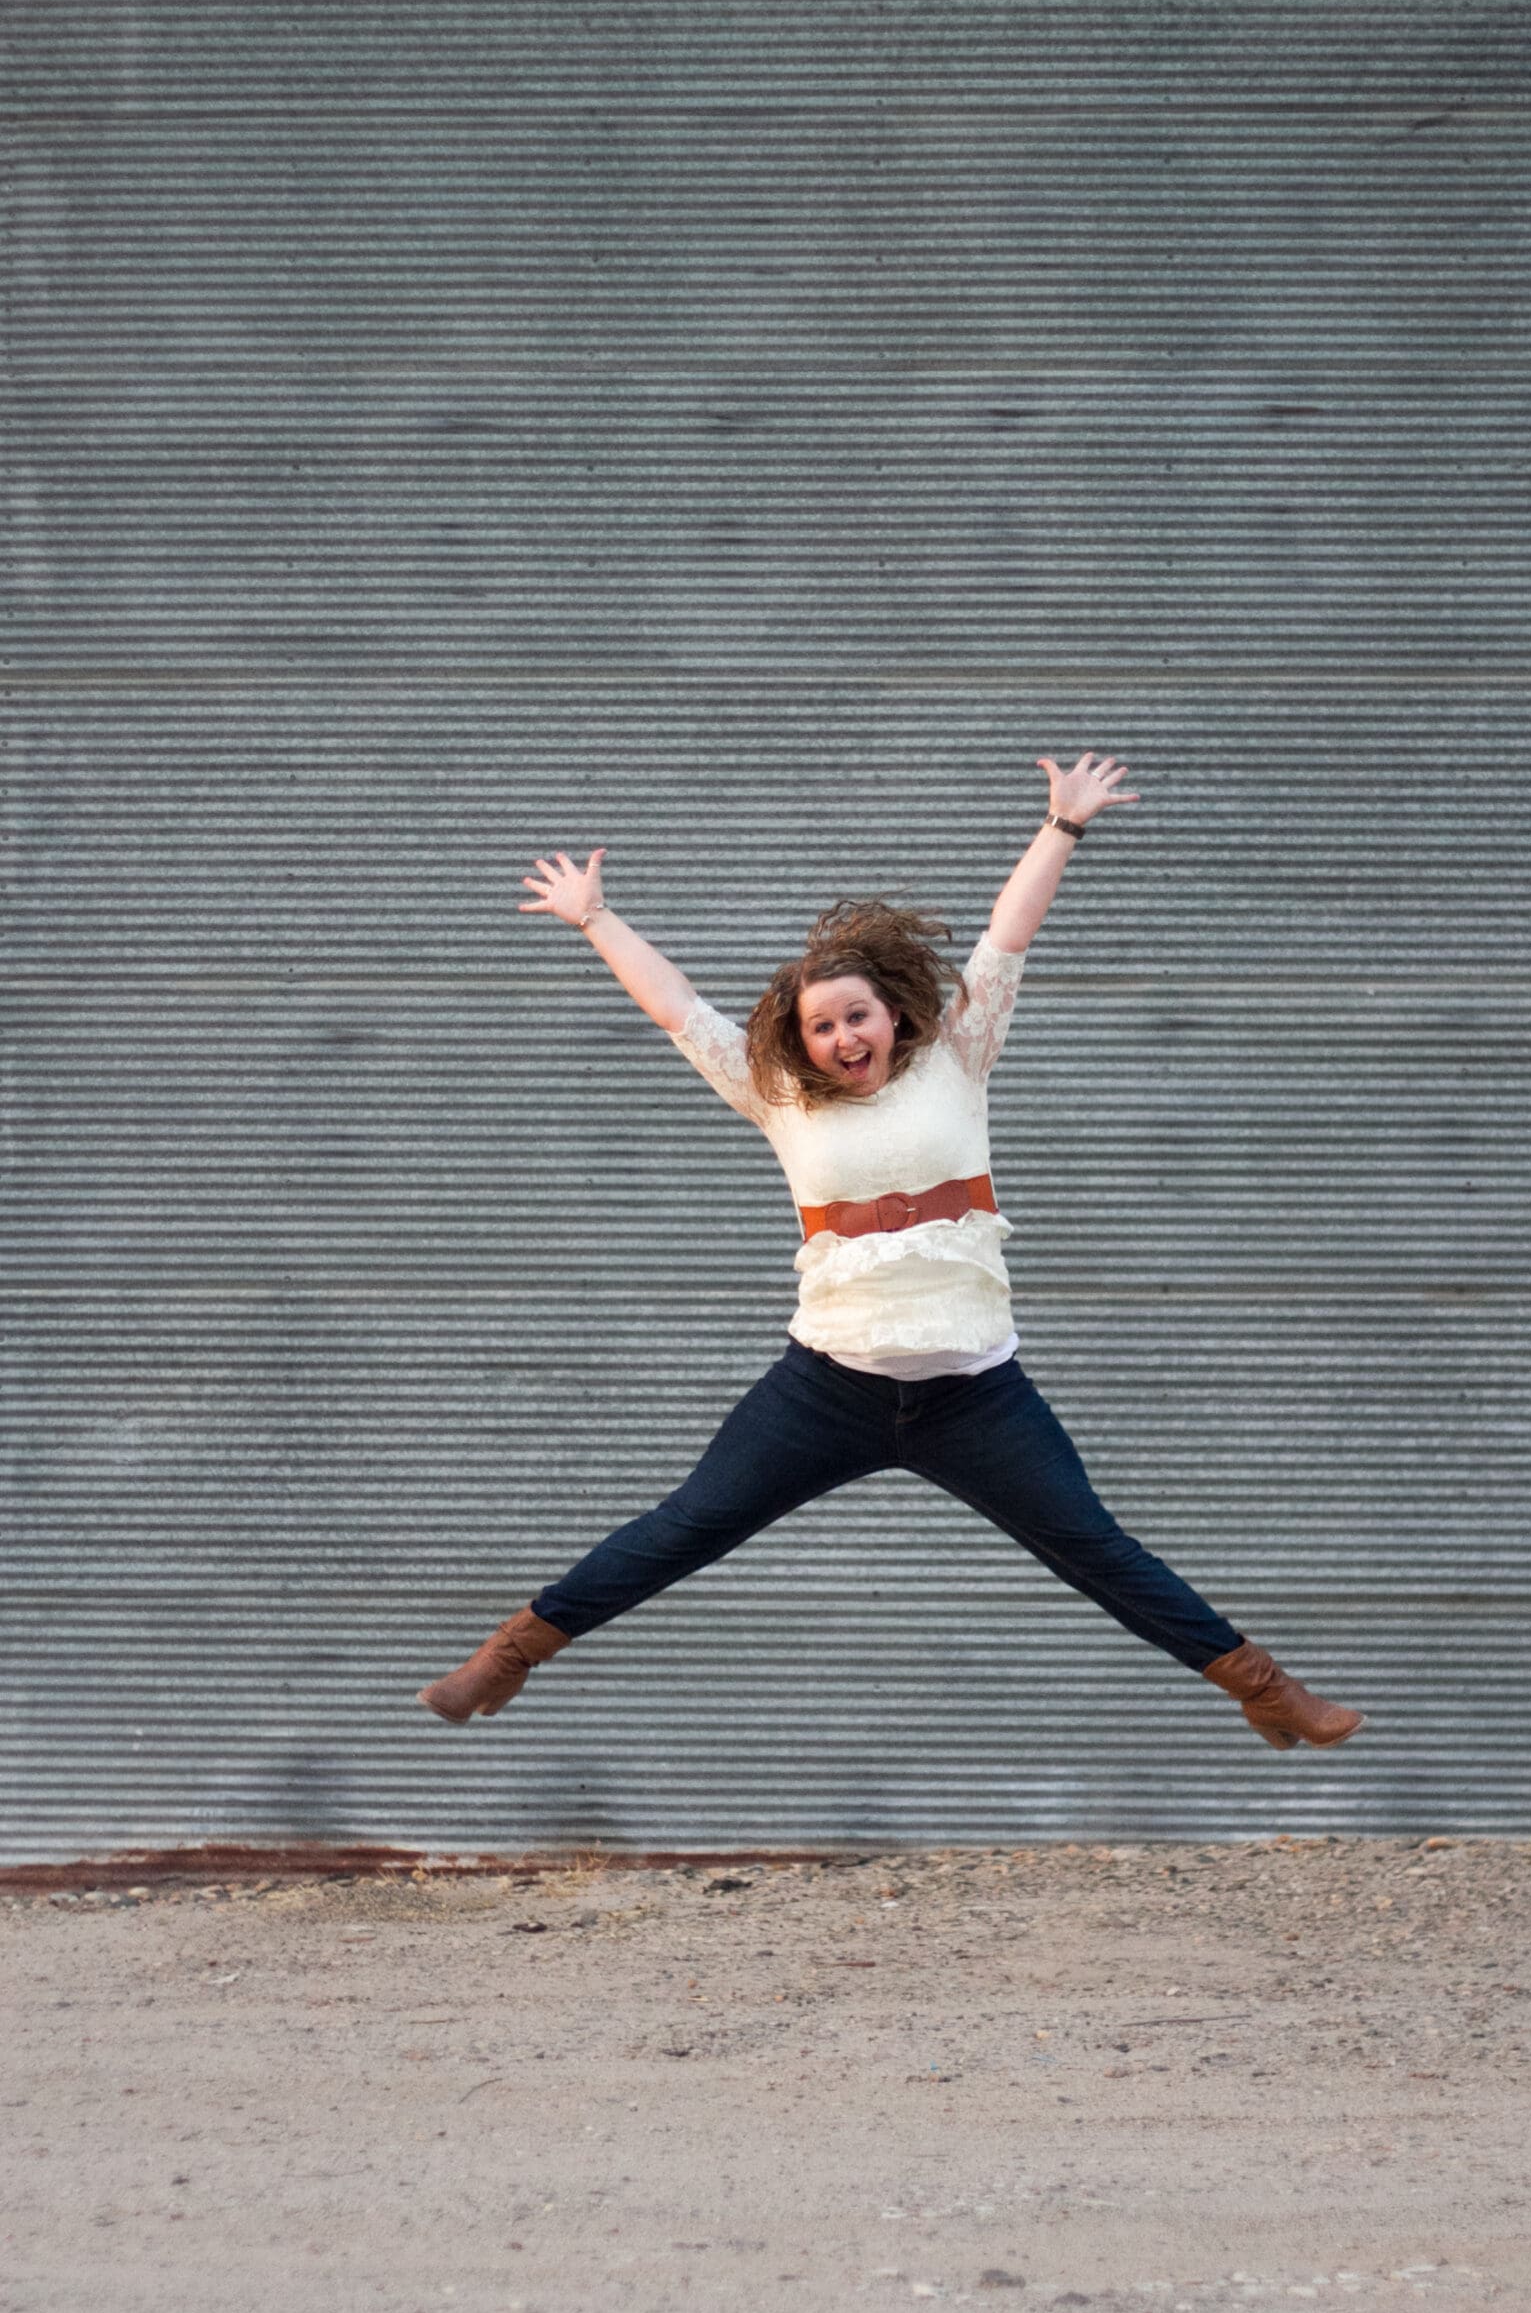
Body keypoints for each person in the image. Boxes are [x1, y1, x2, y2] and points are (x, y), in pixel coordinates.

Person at [416, 752, 1365, 1754]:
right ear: (804, 1039)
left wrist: (1062, 827)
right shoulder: (775, 1097)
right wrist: (595, 917)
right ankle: (505, 1659)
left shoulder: (960, 1056)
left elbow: (1006, 937)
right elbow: (677, 1009)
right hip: (827, 1387)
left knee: (1095, 1548)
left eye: (854, 1016)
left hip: (976, 1396)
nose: (837, 1037)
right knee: (686, 1524)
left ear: (894, 1015)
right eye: (819, 1026)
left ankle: (1265, 1688)